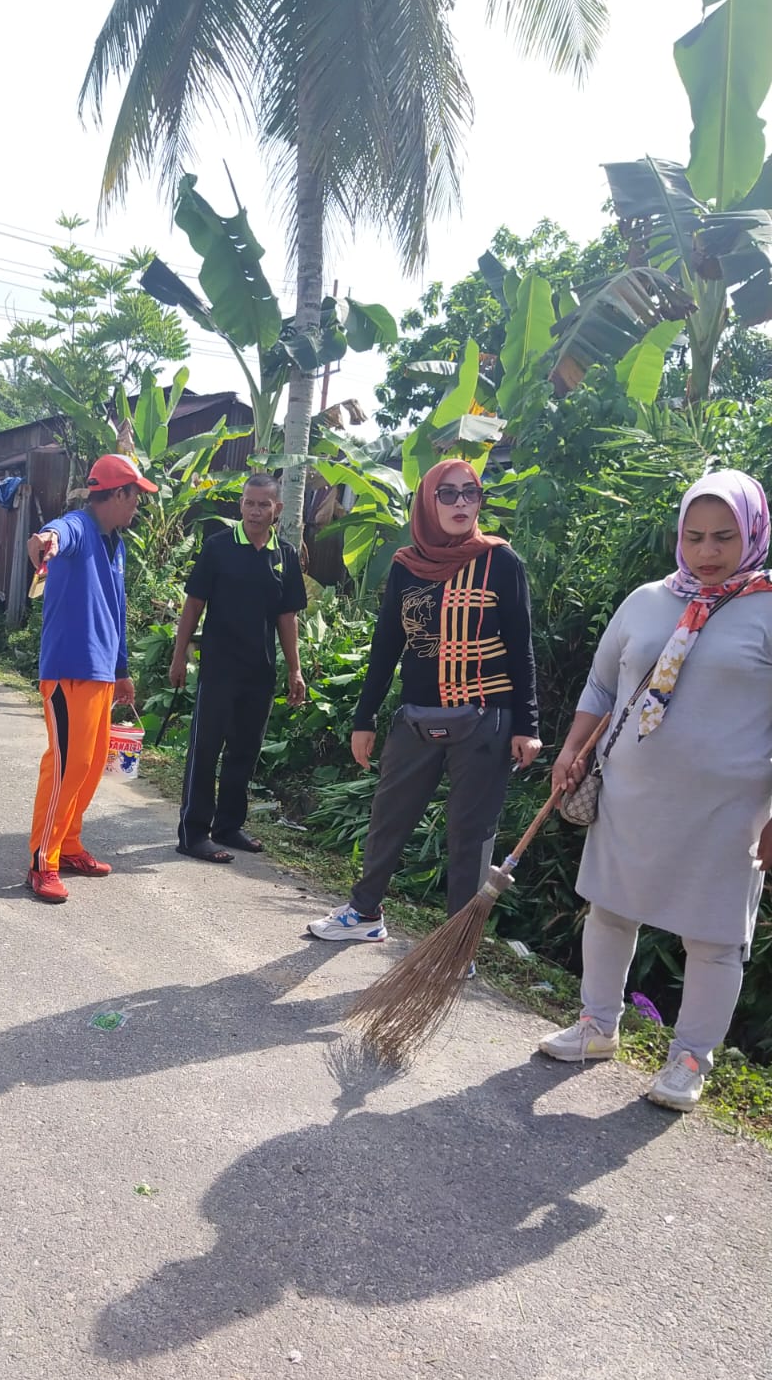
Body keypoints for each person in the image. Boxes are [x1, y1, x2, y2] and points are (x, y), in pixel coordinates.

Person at [540, 469, 772, 1111]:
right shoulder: (646, 601)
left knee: (715, 937)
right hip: (633, 792)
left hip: (731, 810)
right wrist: (570, 751)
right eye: (694, 536)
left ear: (753, 531)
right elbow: (602, 687)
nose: (707, 552)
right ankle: (597, 1026)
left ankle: (689, 1059)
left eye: (724, 536)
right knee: (611, 908)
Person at [308, 457, 541, 942]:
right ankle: (366, 914)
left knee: (469, 834)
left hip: (486, 718)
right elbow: (386, 645)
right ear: (427, 501)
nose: (460, 503)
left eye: (470, 493)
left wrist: (528, 725)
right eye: (448, 493)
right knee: (389, 815)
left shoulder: (501, 562)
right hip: (416, 716)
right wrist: (364, 716)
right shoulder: (407, 565)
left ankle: (457, 947)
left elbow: (522, 648)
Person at [24, 453, 156, 904]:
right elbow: (57, 532)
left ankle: (69, 845)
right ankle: (44, 861)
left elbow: (115, 615)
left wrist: (121, 672)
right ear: (116, 494)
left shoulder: (114, 545)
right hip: (67, 672)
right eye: (134, 497)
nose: (136, 506)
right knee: (65, 765)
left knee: (91, 763)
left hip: (101, 673)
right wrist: (44, 540)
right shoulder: (79, 528)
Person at [170, 473, 308, 862]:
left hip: (259, 670)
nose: (255, 510)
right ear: (241, 504)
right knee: (205, 749)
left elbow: (287, 616)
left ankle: (228, 826)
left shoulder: (284, 555)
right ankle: (193, 833)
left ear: (277, 509)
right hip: (219, 668)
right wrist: (179, 656)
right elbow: (193, 604)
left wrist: (294, 669)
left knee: (244, 751)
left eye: (264, 504)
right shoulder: (218, 548)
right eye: (249, 502)